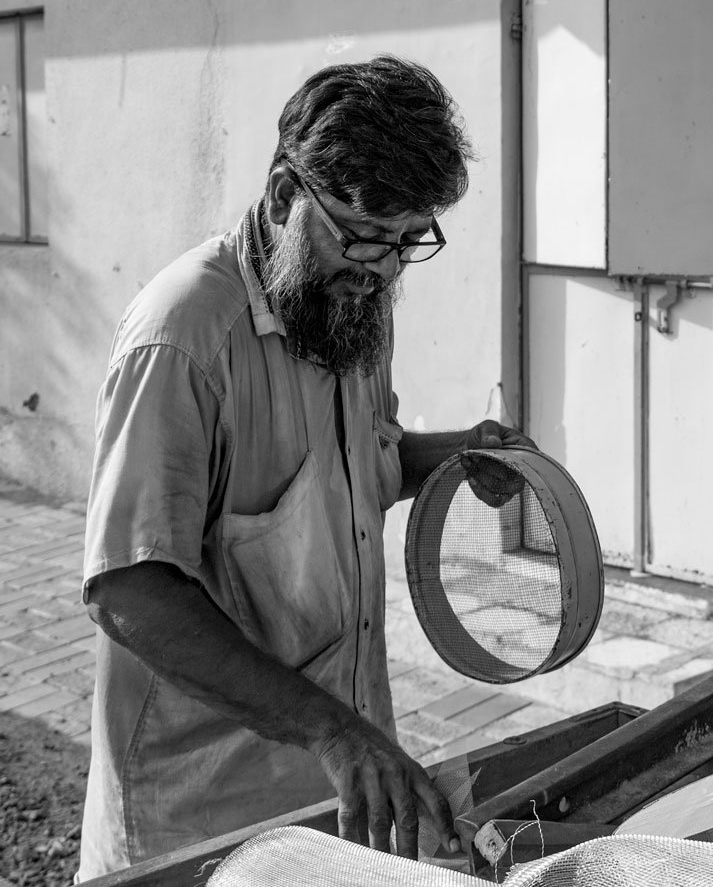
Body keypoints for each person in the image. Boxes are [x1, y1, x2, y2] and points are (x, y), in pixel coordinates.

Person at [78, 55, 530, 878]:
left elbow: (359, 469)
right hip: (200, 823)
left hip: (335, 802)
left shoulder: (353, 310)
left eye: (406, 243)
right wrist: (333, 729)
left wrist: (458, 456)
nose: (382, 271)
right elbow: (130, 589)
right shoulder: (184, 334)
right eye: (361, 236)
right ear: (287, 194)